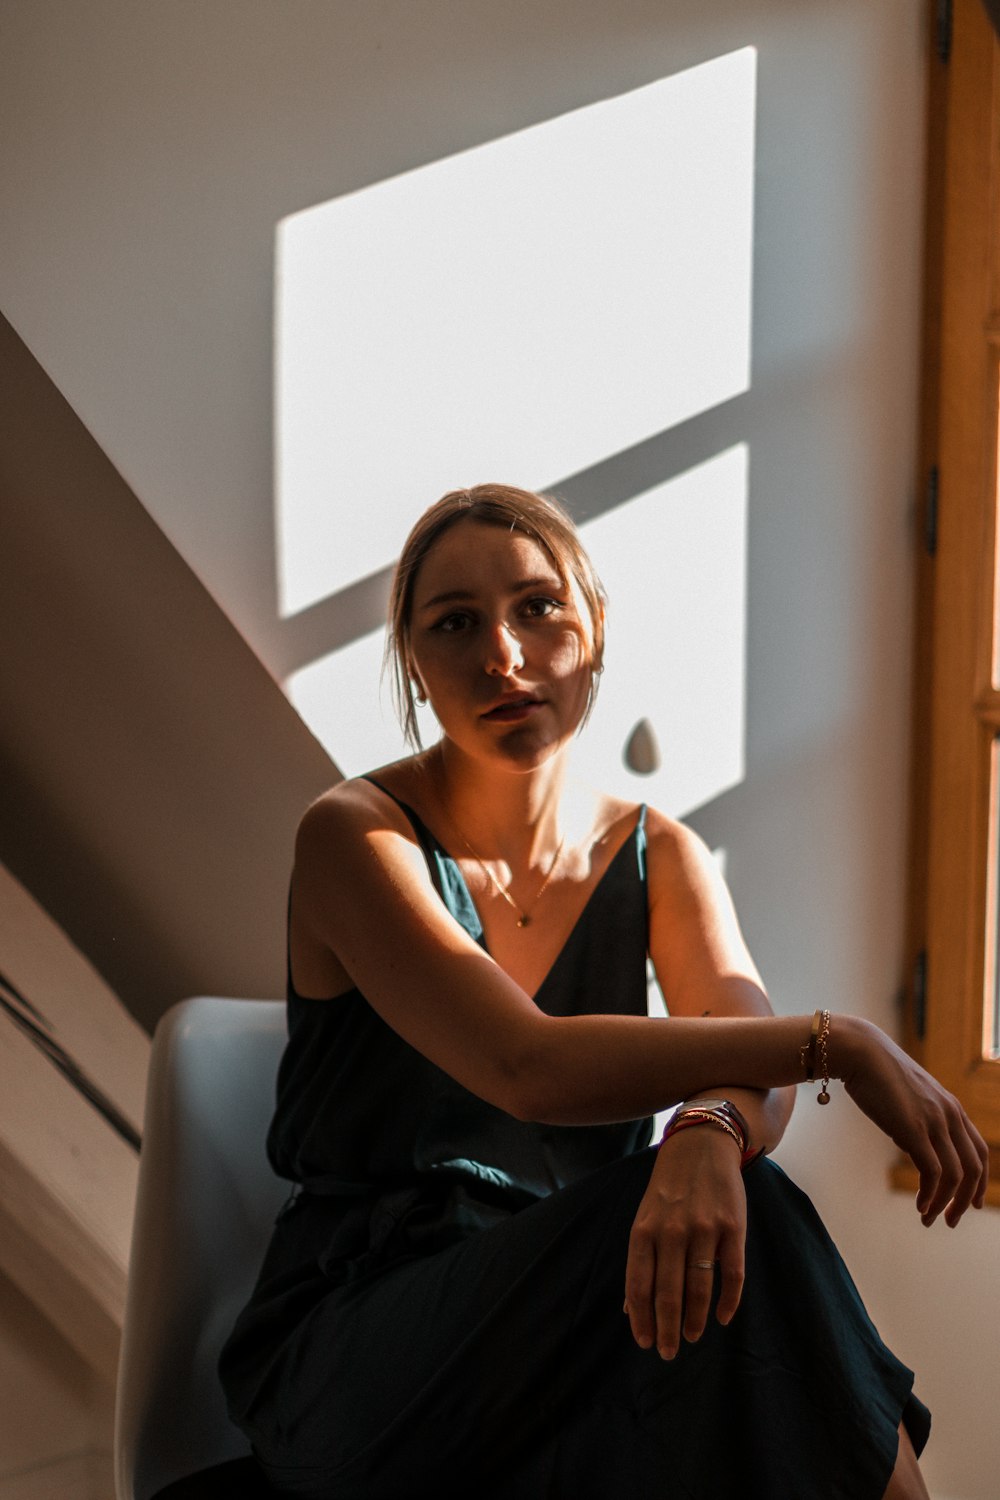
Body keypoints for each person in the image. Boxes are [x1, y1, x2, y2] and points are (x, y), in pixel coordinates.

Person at [220, 484, 988, 1500]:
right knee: (744, 1294)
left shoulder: (655, 852)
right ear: (413, 660)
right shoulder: (355, 835)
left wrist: (709, 1128)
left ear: (592, 630)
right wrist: (839, 1042)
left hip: (585, 1332)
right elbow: (525, 1066)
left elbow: (735, 1036)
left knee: (736, 1251)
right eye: (455, 623)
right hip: (368, 1348)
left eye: (538, 608)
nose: (504, 652)